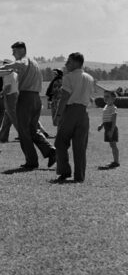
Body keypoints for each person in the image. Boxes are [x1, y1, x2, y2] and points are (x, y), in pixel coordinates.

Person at [10, 41, 57, 170]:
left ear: (21, 50)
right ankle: (50, 150)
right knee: (32, 130)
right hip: (36, 98)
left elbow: (20, 64)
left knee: (23, 131)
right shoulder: (35, 62)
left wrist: (3, 68)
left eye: (14, 51)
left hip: (26, 97)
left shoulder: (24, 60)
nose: (13, 54)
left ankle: (31, 161)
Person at [53, 53, 94, 183]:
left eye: (69, 62)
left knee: (60, 142)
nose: (66, 64)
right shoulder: (90, 78)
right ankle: (79, 176)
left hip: (70, 111)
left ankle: (64, 171)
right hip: (84, 113)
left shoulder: (68, 77)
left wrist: (58, 115)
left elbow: (65, 97)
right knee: (80, 146)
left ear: (76, 63)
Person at [0, 59, 19, 143]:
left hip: (9, 96)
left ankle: (23, 135)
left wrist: (0, 94)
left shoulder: (7, 74)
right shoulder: (15, 74)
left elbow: (8, 88)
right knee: (7, 118)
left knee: (14, 117)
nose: (4, 67)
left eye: (5, 65)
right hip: (15, 95)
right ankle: (3, 137)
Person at [99, 90, 120, 168]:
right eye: (104, 96)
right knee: (112, 145)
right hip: (107, 127)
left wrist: (111, 131)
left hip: (111, 128)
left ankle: (116, 162)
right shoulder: (106, 106)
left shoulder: (113, 108)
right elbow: (106, 119)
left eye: (107, 96)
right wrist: (101, 125)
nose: (105, 98)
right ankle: (115, 161)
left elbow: (113, 121)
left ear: (113, 98)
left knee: (113, 145)